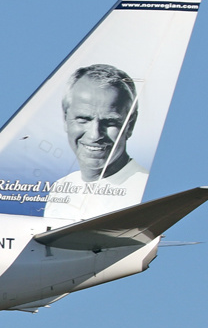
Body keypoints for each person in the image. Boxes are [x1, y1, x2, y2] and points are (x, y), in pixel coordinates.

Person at [43, 64, 149, 219]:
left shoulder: (142, 188)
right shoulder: (62, 187)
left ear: (130, 124)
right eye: (83, 120)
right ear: (65, 119)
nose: (95, 135)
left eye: (110, 122)